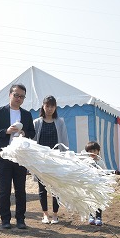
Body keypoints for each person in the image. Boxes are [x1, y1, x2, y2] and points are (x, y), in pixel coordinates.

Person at [0, 84, 36, 229]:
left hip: (20, 157)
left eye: (22, 96)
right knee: (4, 190)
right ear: (10, 95)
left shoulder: (26, 114)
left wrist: (24, 133)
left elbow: (32, 133)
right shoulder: (0, 111)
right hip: (4, 156)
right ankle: (5, 220)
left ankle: (20, 219)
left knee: (20, 190)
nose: (18, 98)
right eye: (16, 95)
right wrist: (6, 131)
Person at [33, 95, 69, 224]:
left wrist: (65, 159)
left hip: (56, 160)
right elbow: (32, 142)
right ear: (43, 106)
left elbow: (64, 141)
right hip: (41, 161)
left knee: (55, 188)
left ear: (55, 107)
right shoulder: (36, 122)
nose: (49, 108)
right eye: (47, 105)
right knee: (42, 188)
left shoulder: (60, 122)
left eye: (52, 106)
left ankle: (55, 215)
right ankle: (45, 215)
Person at [85, 141, 105, 226]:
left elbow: (104, 172)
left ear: (98, 151)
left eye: (94, 150)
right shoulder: (86, 161)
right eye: (90, 151)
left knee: (99, 200)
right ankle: (91, 216)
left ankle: (99, 217)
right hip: (90, 185)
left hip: (99, 185)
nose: (92, 153)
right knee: (90, 200)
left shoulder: (100, 161)